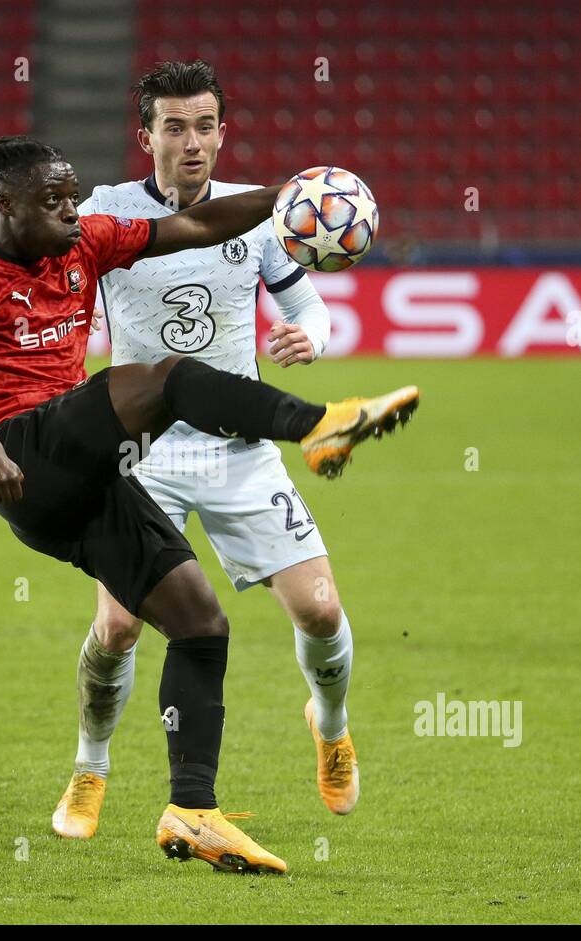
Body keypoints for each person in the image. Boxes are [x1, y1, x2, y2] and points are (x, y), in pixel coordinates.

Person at [0, 135, 419, 874]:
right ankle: (319, 426)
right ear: (5, 203)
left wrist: (280, 199)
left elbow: (194, 227)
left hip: (85, 478)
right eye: (53, 200)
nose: (70, 209)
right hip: (24, 454)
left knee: (200, 624)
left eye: (71, 195)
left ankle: (193, 809)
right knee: (172, 378)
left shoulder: (84, 240)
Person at [52, 60, 367, 844]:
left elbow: (307, 301)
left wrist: (311, 336)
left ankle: (330, 727)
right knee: (119, 627)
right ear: (147, 135)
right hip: (140, 458)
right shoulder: (105, 214)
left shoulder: (255, 214)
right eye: (175, 127)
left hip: (239, 450)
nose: (192, 143)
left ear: (222, 133)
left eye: (205, 127)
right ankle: (91, 766)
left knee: (322, 611)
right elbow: (63, 305)